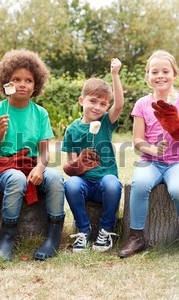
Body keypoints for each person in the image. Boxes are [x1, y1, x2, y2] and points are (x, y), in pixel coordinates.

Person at [0, 49, 65, 261]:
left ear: (36, 85)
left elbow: (45, 153)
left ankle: (53, 238)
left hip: (32, 166)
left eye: (28, 80)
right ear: (5, 83)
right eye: (15, 79)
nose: (22, 84)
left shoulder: (40, 113)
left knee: (55, 178)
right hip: (4, 170)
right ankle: (7, 238)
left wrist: (39, 168)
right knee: (16, 178)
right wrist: (0, 132)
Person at [118, 50, 179, 258]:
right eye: (154, 72)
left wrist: (177, 126)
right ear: (148, 77)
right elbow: (137, 141)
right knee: (139, 185)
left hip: (176, 162)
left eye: (165, 71)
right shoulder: (142, 104)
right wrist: (151, 149)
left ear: (174, 74)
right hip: (150, 161)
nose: (160, 75)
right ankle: (136, 237)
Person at [62, 58, 124, 252]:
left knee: (113, 184)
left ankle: (106, 229)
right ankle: (83, 230)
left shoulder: (106, 121)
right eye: (93, 101)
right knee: (70, 185)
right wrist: (79, 163)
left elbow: (120, 104)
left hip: (105, 179)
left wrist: (115, 74)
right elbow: (70, 164)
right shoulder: (72, 130)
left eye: (103, 103)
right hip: (84, 183)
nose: (97, 107)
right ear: (82, 101)